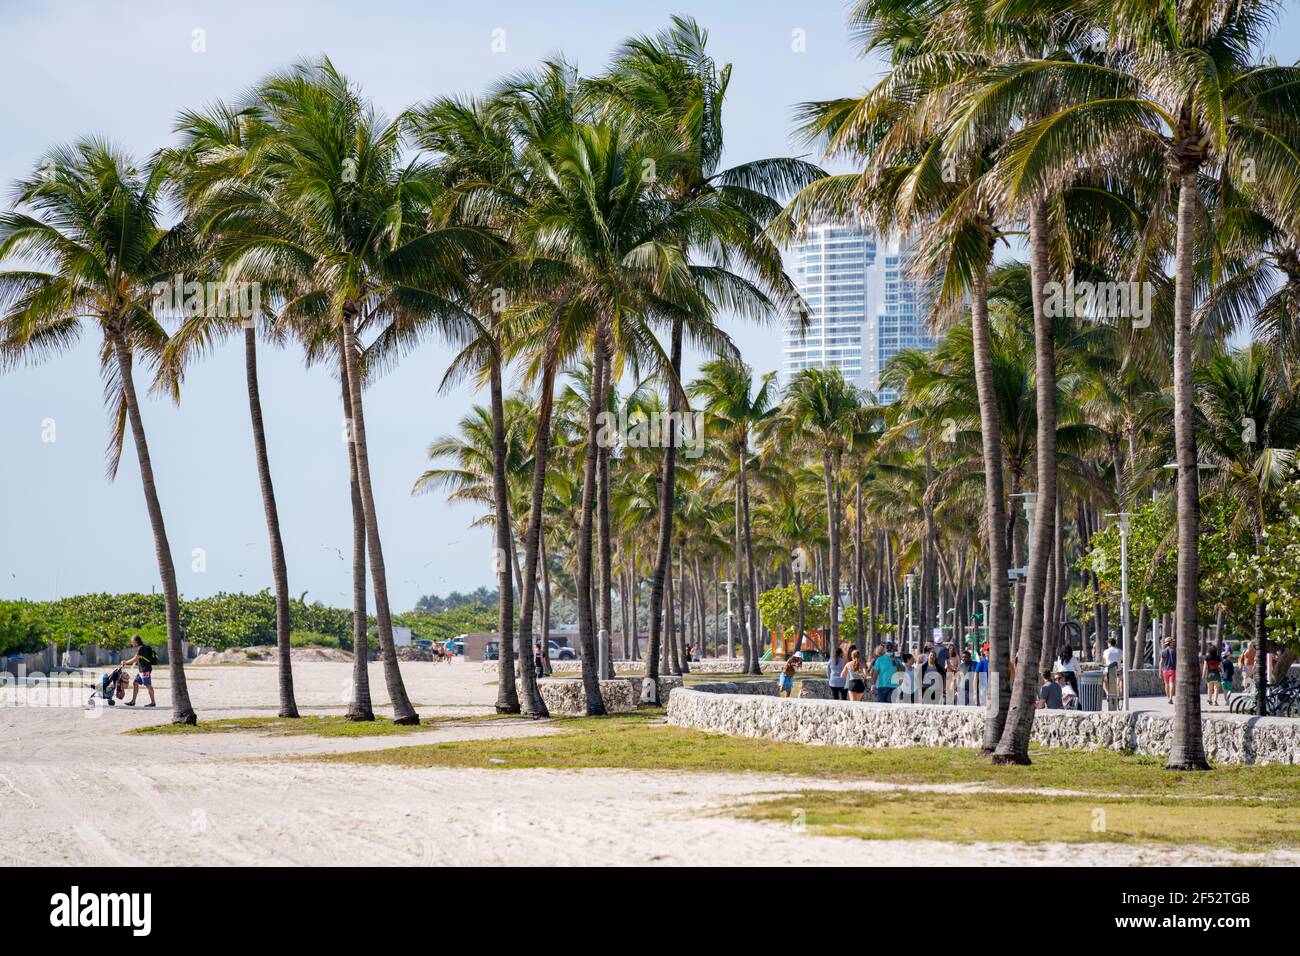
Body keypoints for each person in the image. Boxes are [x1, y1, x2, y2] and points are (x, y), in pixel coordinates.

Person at [121, 635, 156, 707]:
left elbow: (135, 658)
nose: (132, 644)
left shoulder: (141, 648)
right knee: (135, 683)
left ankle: (153, 702)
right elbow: (136, 659)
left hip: (145, 670)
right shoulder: (142, 648)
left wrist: (126, 662)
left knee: (148, 685)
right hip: (142, 670)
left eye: (132, 642)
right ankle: (133, 701)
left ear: (136, 642)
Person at [1102, 637, 1123, 710]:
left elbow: (1104, 661)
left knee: (1104, 681)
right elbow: (1122, 660)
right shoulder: (1119, 651)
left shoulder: (1106, 651)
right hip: (1118, 670)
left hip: (1108, 670)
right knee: (1121, 680)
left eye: (1108, 643)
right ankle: (1120, 695)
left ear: (1109, 643)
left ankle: (1108, 694)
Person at [1159, 637, 1177, 703]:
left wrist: (1160, 671)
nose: (1173, 642)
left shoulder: (1163, 651)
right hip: (1173, 669)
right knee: (1171, 684)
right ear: (1170, 642)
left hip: (1165, 670)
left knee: (1166, 684)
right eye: (1172, 641)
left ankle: (1168, 698)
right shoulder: (1174, 651)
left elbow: (1161, 662)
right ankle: (1170, 698)